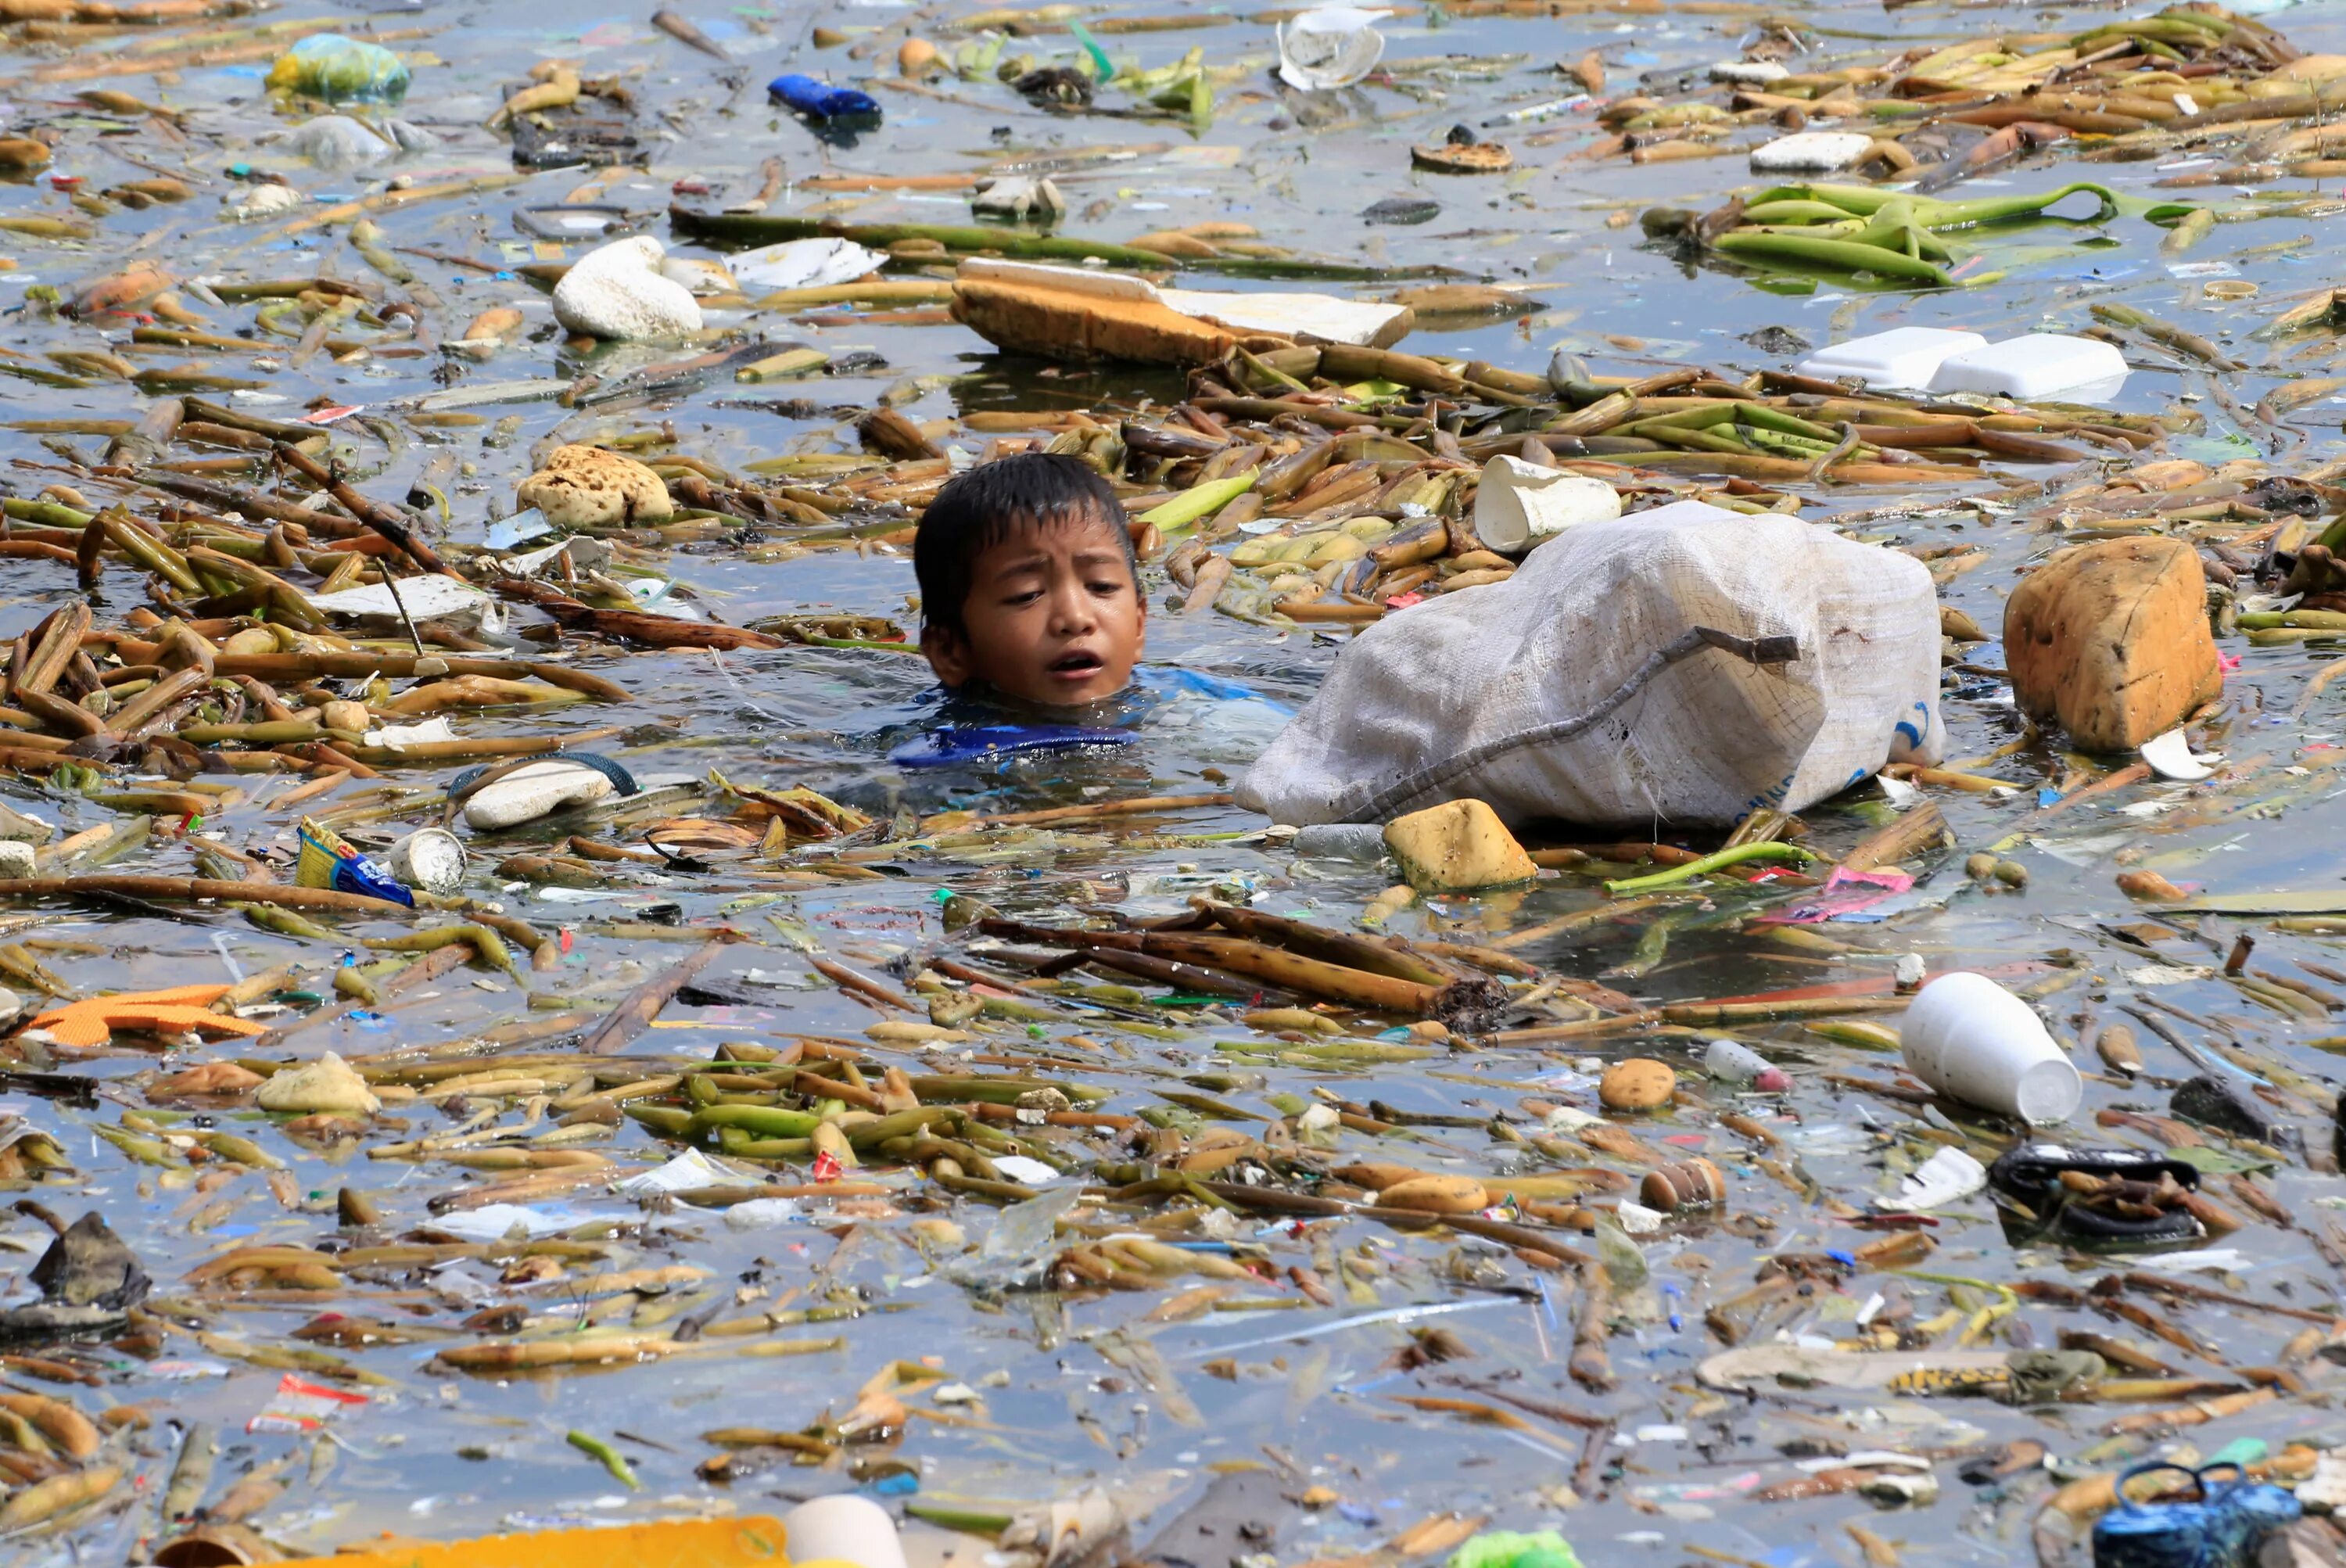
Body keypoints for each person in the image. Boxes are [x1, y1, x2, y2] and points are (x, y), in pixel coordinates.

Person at [913, 450, 1146, 708]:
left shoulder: (1179, 705)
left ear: (1139, 625)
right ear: (949, 652)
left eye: (1102, 586)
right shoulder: (953, 735)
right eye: (1027, 595)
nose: (1075, 618)